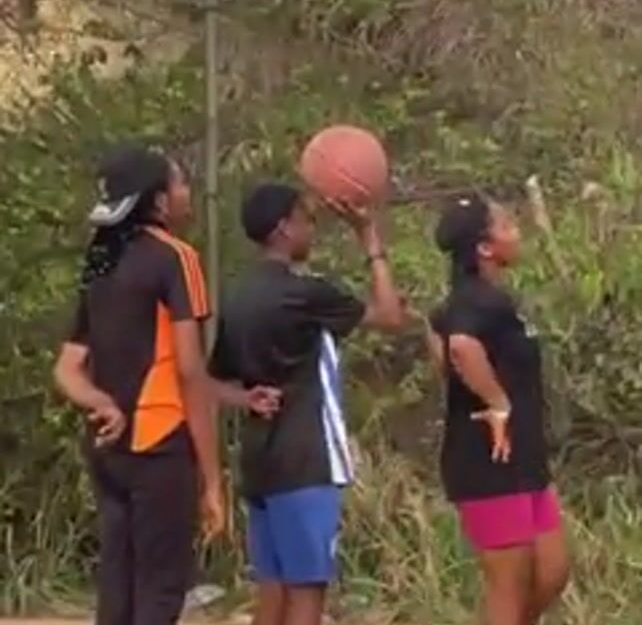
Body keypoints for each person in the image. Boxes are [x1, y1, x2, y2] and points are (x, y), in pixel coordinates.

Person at [53, 144, 278, 625]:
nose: (186, 192)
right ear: (157, 201)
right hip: (161, 448)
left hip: (108, 450)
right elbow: (188, 373)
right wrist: (212, 481)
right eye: (179, 183)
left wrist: (101, 402)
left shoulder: (100, 261)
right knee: (160, 590)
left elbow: (68, 368)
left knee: (118, 587)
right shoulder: (177, 258)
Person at [209, 183, 404, 625]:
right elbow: (390, 315)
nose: (311, 229)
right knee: (306, 594)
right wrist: (369, 239)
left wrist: (244, 397)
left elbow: (209, 381)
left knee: (272, 593)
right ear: (284, 228)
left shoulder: (237, 296)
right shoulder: (306, 293)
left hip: (260, 460)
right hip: (306, 459)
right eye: (306, 220)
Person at [427, 193, 570, 625]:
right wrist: (497, 402)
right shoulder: (473, 300)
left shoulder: (490, 301)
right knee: (510, 586)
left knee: (552, 571)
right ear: (485, 248)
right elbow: (461, 347)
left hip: (525, 459)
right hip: (489, 460)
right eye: (506, 225)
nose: (516, 232)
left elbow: (442, 346)